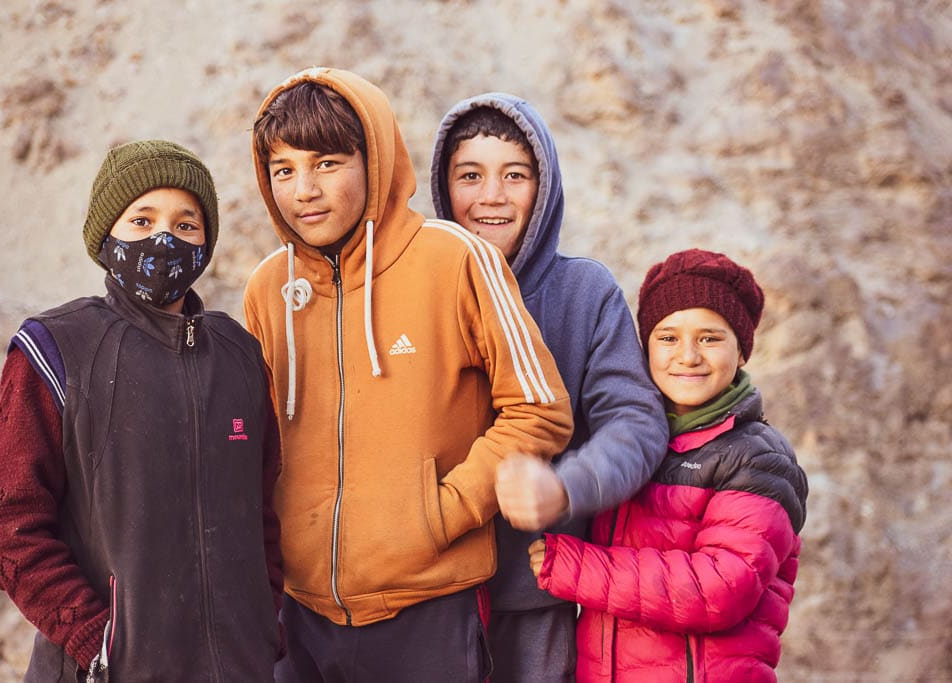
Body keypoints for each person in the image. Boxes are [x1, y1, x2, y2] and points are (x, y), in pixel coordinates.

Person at [243, 68, 574, 682]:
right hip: (302, 612)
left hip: (430, 605)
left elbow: (539, 408)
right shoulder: (269, 286)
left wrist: (442, 513)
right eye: (283, 169)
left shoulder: (455, 259)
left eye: (327, 163)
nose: (304, 190)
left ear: (376, 159)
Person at [0, 140, 284, 682]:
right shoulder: (54, 348)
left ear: (206, 242)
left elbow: (262, 514)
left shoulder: (240, 356)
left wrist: (267, 622)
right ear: (106, 236)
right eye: (142, 219)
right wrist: (98, 641)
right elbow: (12, 528)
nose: (164, 239)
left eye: (186, 225)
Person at [430, 94, 669, 681]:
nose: (491, 196)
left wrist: (565, 487)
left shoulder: (585, 293)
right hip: (427, 600)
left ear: (545, 187)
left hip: (539, 601)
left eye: (515, 175)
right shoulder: (414, 292)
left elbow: (636, 422)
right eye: (470, 176)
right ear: (442, 188)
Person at [526, 248, 809, 682]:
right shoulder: (631, 448)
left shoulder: (758, 458)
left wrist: (574, 567)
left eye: (710, 338)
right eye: (668, 337)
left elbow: (719, 589)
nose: (688, 356)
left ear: (743, 352)